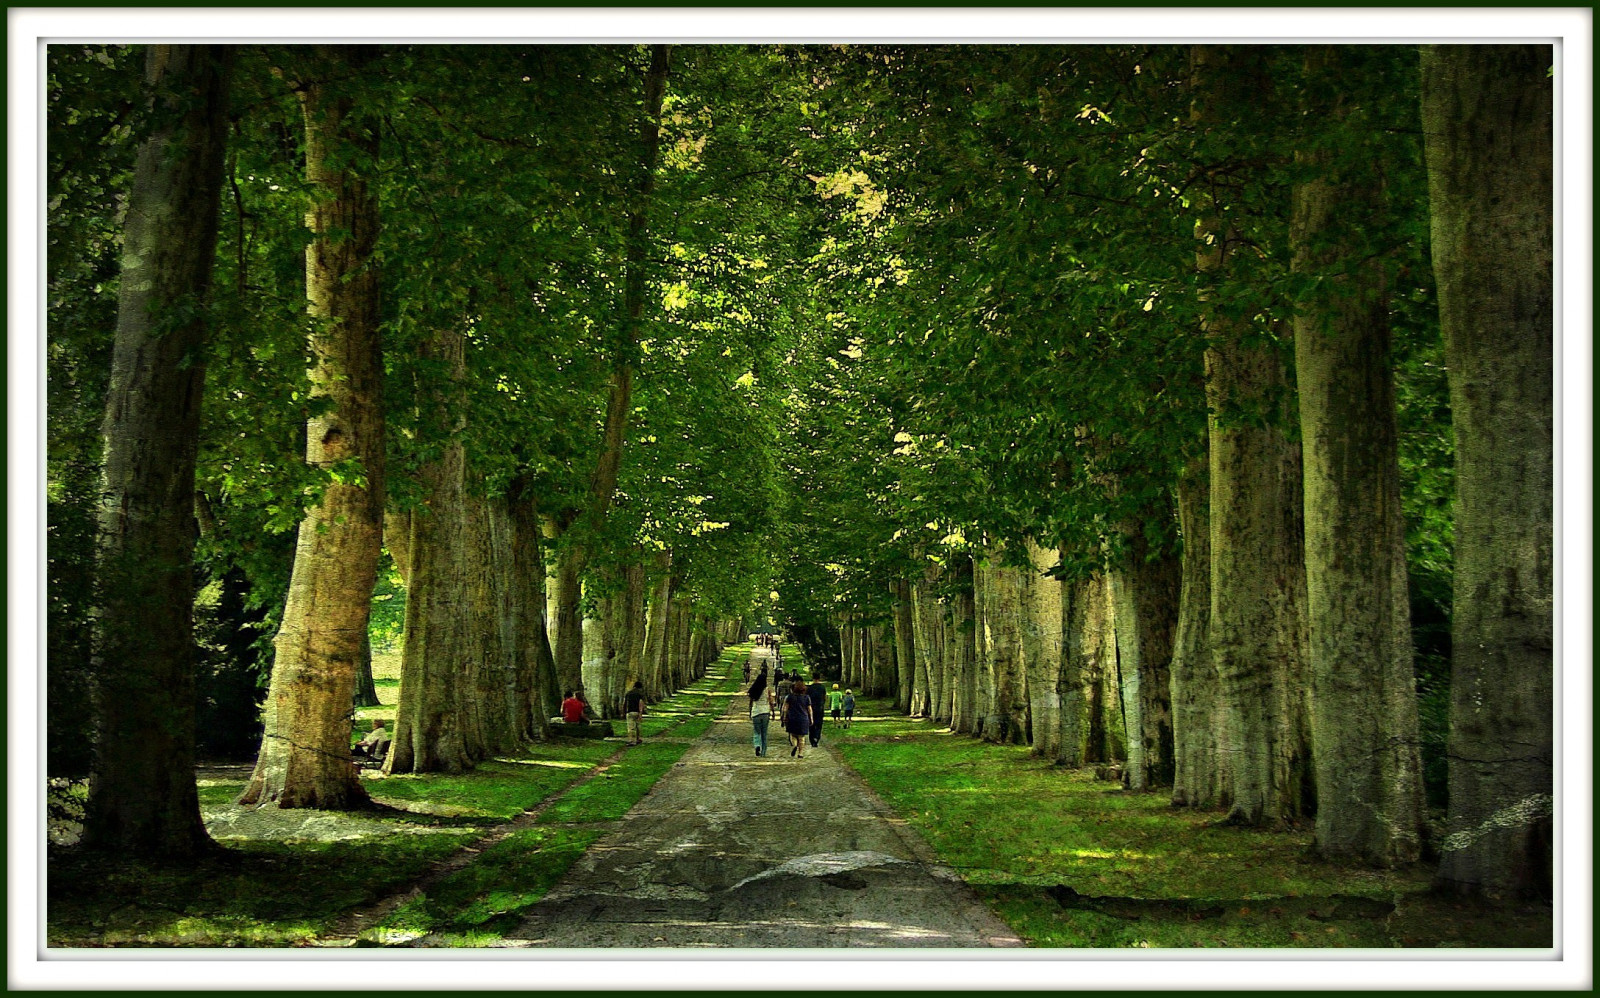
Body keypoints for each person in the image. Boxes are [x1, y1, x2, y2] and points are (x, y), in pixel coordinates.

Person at [783, 679, 812, 758]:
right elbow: (809, 709)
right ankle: (801, 753)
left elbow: (786, 708)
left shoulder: (790, 697)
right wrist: (811, 719)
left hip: (792, 718)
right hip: (803, 718)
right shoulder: (806, 697)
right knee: (801, 737)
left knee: (793, 735)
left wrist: (784, 717)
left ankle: (794, 745)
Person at [747, 672, 771, 757]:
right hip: (765, 712)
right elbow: (770, 701)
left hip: (756, 712)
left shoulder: (754, 689)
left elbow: (750, 702)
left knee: (757, 732)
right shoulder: (767, 689)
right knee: (764, 733)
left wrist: (750, 712)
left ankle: (757, 745)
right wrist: (773, 712)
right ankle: (763, 751)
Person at [807, 674, 828, 749]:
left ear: (813, 679)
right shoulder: (822, 687)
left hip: (811, 708)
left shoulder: (809, 688)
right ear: (819, 678)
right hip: (820, 708)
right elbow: (824, 697)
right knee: (819, 724)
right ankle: (817, 737)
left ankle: (812, 739)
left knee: (811, 724)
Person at [623, 680, 646, 746]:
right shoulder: (640, 694)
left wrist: (623, 711)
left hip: (629, 712)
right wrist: (641, 713)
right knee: (638, 726)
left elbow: (624, 703)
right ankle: (637, 739)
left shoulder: (628, 693)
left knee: (631, 727)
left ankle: (631, 740)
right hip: (637, 712)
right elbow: (641, 703)